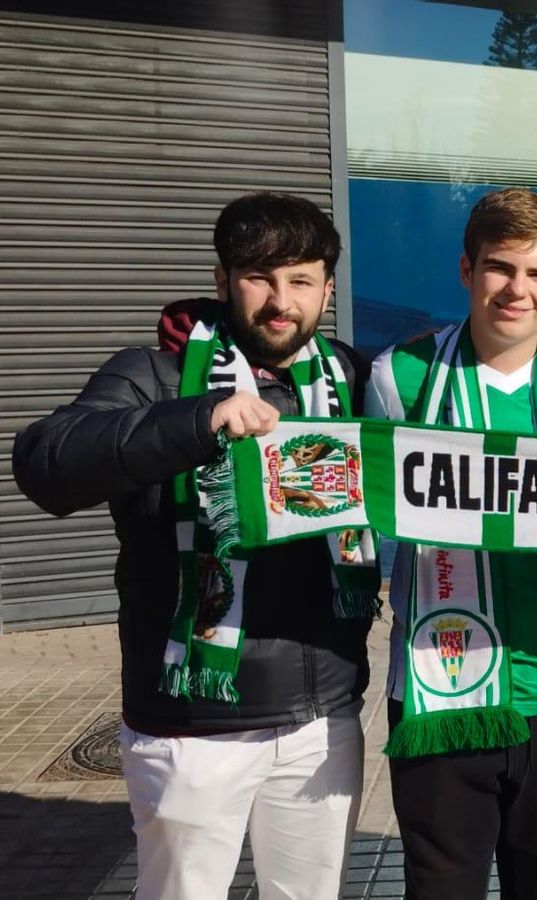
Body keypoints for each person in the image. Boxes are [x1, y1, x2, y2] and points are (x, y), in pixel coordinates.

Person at [13, 192, 376, 899]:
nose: (280, 301)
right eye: (258, 278)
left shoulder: (350, 379)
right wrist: (200, 418)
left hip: (322, 719)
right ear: (221, 280)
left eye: (300, 281)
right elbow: (46, 465)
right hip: (190, 725)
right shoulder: (150, 375)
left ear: (328, 290)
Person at [365, 188, 537, 899]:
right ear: (467, 270)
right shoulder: (399, 375)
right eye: (501, 268)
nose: (518, 290)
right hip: (438, 689)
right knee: (441, 889)